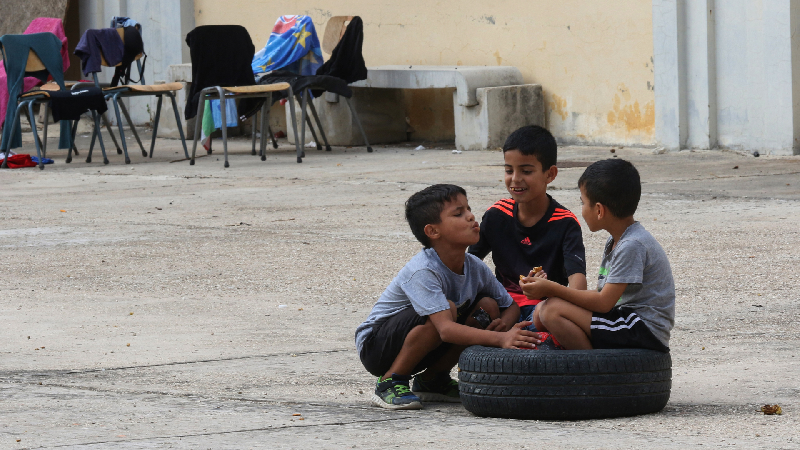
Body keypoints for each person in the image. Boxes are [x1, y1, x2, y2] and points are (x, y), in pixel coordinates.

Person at [355, 184, 541, 410]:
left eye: (468, 209)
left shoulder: (474, 266)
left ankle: (433, 380)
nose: (471, 216)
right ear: (433, 231)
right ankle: (390, 381)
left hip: (427, 340)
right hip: (377, 347)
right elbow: (445, 329)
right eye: (458, 213)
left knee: (488, 307)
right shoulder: (423, 270)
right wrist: (500, 339)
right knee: (448, 310)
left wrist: (503, 326)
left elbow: (509, 305)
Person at [520, 158, 675, 352]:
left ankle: (593, 366)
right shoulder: (617, 240)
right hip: (624, 320)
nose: (582, 209)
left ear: (599, 210)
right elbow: (602, 295)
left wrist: (553, 289)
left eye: (583, 202)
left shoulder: (632, 245)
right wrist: (550, 292)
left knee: (551, 311)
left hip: (642, 329)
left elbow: (603, 303)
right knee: (541, 311)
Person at [469, 125, 587, 331]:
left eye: (526, 171)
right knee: (479, 308)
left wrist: (549, 289)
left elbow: (578, 285)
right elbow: (469, 263)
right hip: (504, 306)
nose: (515, 179)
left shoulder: (565, 223)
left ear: (550, 174)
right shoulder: (496, 215)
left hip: (543, 309)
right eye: (509, 170)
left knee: (551, 316)